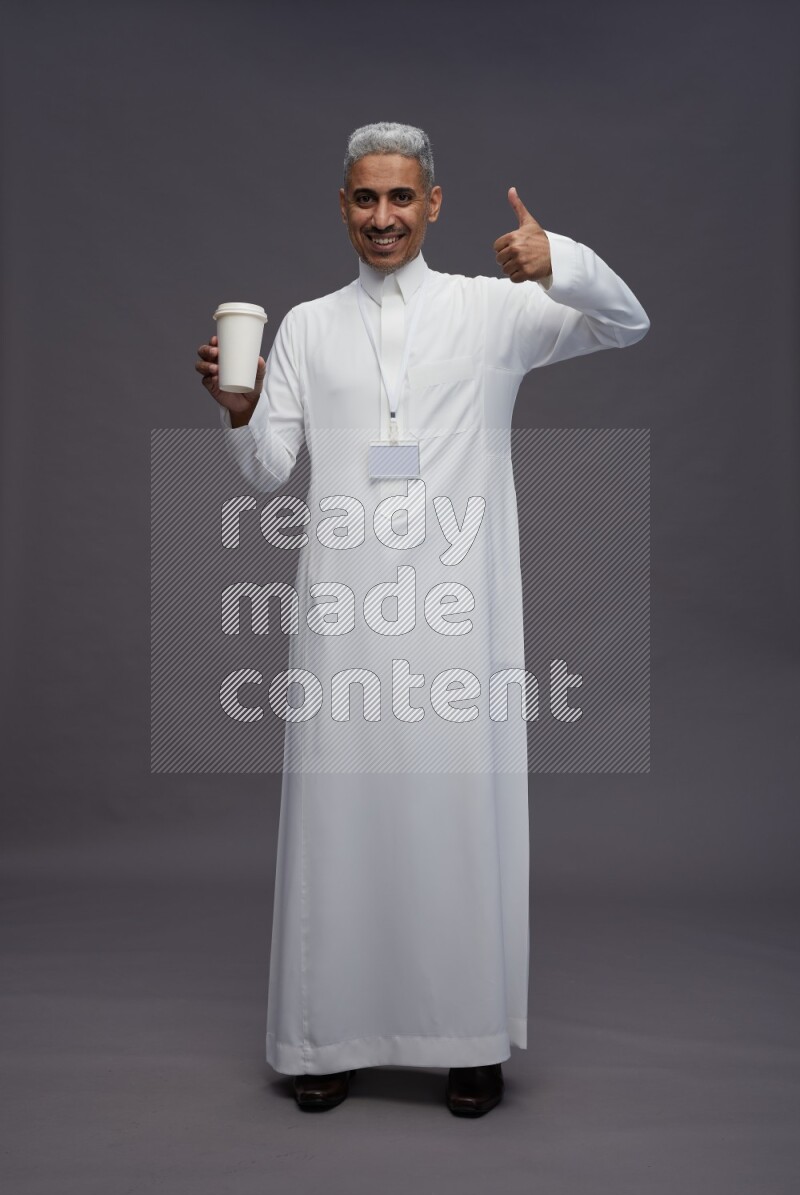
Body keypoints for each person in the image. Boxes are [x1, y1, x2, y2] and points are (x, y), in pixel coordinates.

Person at [196, 122, 649, 1117]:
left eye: (401, 198)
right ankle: (326, 1035)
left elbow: (625, 323)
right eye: (365, 199)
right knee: (340, 817)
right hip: (344, 611)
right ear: (344, 208)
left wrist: (558, 257)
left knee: (457, 814)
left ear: (433, 205)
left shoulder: (494, 312)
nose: (383, 217)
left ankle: (468, 1039)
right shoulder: (309, 327)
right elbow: (268, 468)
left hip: (460, 613)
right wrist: (238, 410)